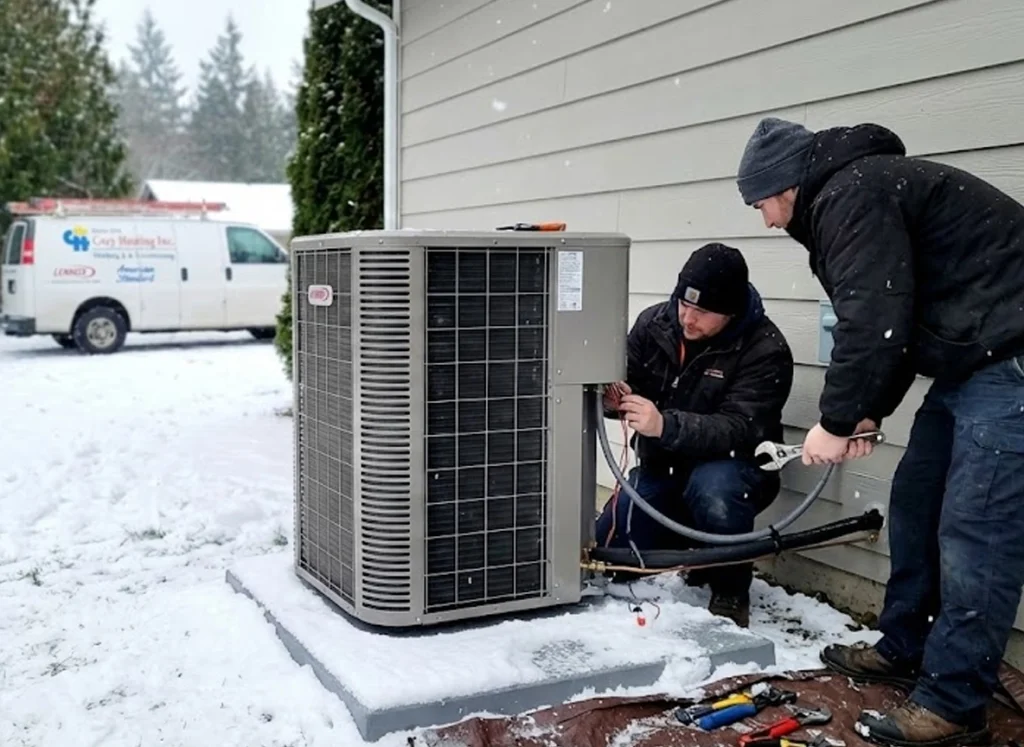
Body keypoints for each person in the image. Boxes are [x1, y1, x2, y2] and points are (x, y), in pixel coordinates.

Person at [736, 116, 1024, 746]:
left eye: (764, 203)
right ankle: (907, 647)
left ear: (788, 184)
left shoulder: (852, 192)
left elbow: (872, 318)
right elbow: (897, 321)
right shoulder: (855, 190)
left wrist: (837, 421)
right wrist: (867, 412)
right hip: (971, 362)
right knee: (917, 501)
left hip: (1011, 363)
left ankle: (953, 708)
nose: (769, 222)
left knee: (978, 532)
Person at [596, 242, 795, 628]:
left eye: (702, 312)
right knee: (612, 551)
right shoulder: (654, 324)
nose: (687, 318)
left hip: (734, 469)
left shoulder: (765, 349)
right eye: (683, 304)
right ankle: (693, 551)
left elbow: (740, 428)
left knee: (713, 492)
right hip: (663, 467)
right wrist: (611, 398)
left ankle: (730, 588)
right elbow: (625, 381)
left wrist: (665, 425)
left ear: (731, 312)